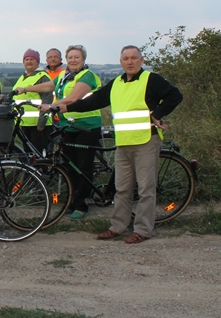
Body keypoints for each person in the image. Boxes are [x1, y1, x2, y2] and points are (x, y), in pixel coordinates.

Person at [56, 46, 183, 244]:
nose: (130, 62)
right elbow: (94, 101)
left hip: (145, 140)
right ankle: (118, 226)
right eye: (126, 58)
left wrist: (157, 114)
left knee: (146, 189)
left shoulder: (151, 79)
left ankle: (143, 229)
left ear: (141, 60)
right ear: (121, 61)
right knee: (122, 188)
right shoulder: (116, 83)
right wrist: (67, 107)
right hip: (123, 142)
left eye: (134, 58)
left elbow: (175, 96)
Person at [16, 45, 102, 220]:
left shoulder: (87, 76)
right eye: (70, 57)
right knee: (69, 166)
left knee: (83, 167)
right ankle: (70, 203)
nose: (73, 60)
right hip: (68, 125)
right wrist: (25, 89)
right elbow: (48, 86)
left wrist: (51, 106)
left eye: (76, 57)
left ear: (83, 59)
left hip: (86, 126)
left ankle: (82, 204)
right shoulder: (64, 76)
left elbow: (73, 98)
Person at [12, 49, 53, 154]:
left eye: (32, 59)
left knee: (38, 153)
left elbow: (47, 99)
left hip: (38, 125)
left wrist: (42, 121)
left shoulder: (42, 77)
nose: (29, 62)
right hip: (25, 122)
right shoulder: (23, 77)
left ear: (38, 62)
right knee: (29, 153)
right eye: (26, 59)